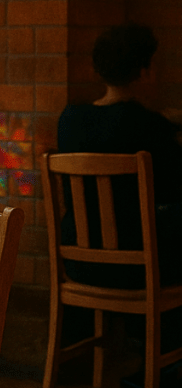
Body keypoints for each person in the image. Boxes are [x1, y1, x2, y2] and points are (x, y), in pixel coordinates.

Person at [55, 23, 182, 363]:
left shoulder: (70, 119)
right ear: (145, 70)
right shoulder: (148, 126)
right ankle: (165, 360)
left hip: (78, 265)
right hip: (138, 271)